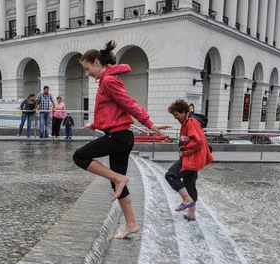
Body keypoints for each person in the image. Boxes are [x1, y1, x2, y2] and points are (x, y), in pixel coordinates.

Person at [73, 40, 171, 239]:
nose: (87, 73)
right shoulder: (107, 81)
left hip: (119, 138)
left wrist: (149, 124)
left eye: (87, 68)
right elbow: (112, 111)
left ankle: (118, 178)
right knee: (117, 186)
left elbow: (128, 104)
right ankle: (132, 224)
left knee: (79, 156)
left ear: (97, 64)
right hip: (120, 136)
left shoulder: (109, 81)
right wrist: (95, 124)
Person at [165, 99, 213, 221]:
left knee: (170, 175)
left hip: (191, 158)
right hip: (193, 158)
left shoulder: (191, 122)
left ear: (182, 111)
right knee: (189, 183)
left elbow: (198, 141)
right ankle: (191, 214)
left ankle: (186, 199)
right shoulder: (186, 123)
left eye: (176, 115)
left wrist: (185, 150)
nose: (176, 118)